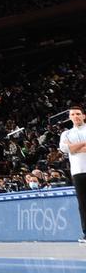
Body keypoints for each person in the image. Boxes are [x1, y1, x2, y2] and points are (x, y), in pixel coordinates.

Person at [58, 105, 86, 244]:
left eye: (78, 114)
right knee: (83, 204)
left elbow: (72, 149)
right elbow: (65, 149)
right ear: (70, 117)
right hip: (78, 172)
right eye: (73, 114)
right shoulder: (66, 134)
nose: (75, 116)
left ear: (83, 116)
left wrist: (74, 147)